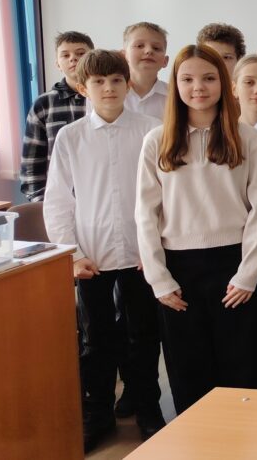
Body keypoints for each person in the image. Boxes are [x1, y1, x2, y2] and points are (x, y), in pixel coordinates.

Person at [136, 44, 257, 414]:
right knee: (188, 371)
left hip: (234, 266)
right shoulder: (156, 140)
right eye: (188, 79)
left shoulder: (247, 137)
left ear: (224, 83)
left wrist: (249, 274)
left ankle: (244, 439)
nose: (198, 87)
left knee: (242, 368)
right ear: (175, 84)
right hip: (178, 270)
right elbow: (146, 214)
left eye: (209, 78)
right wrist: (159, 279)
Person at [44, 50, 164, 450]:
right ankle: (97, 415)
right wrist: (72, 254)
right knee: (95, 341)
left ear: (127, 84)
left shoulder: (151, 130)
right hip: (92, 256)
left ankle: (147, 409)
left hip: (141, 256)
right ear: (83, 88)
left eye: (115, 80)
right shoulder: (71, 136)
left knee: (143, 336)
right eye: (98, 82)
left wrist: (156, 250)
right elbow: (58, 200)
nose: (108, 88)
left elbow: (166, 195)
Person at [20, 30, 94, 201]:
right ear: (58, 64)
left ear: (92, 58)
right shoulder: (44, 104)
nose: (73, 59)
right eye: (65, 55)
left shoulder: (107, 97)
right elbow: (31, 165)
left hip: (100, 198)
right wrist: (42, 204)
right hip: (59, 200)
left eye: (80, 53)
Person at [122, 22, 170, 120]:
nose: (149, 51)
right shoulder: (109, 93)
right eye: (139, 46)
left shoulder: (175, 95)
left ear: (165, 61)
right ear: (124, 56)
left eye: (156, 48)